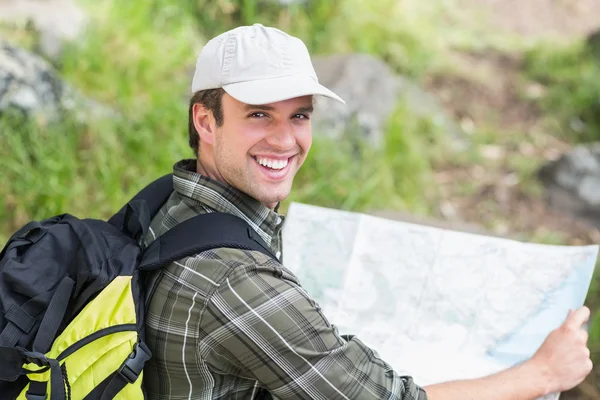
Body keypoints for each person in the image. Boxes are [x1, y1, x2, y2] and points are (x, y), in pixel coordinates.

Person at [142, 23, 592, 399]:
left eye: (299, 116)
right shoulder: (237, 281)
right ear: (205, 120)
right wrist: (545, 373)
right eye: (259, 115)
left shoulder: (166, 200)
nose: (284, 140)